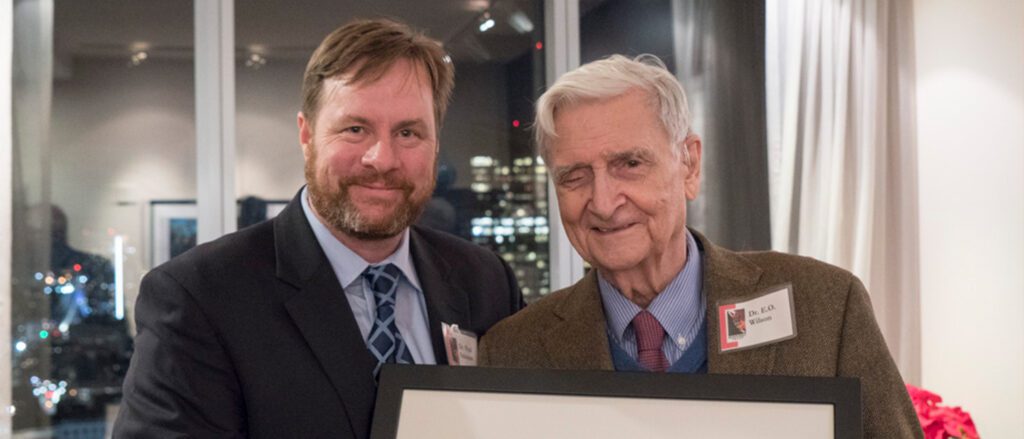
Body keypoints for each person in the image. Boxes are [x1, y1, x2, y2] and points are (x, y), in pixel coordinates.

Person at [114, 18, 523, 438]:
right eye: (355, 129)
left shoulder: (486, 283)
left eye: (408, 132)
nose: (382, 159)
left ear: (435, 145)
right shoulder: (200, 297)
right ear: (306, 135)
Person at [478, 54, 922, 437]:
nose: (604, 202)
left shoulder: (824, 306)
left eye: (630, 164)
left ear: (689, 164)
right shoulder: (513, 352)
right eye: (574, 176)